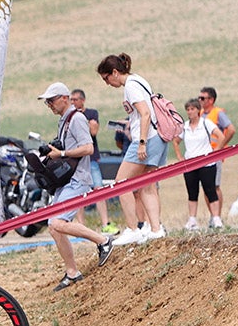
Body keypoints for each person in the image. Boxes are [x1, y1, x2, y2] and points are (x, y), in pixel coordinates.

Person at [36, 83, 114, 290]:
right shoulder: (65, 120)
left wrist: (61, 154)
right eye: (47, 102)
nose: (49, 105)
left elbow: (88, 148)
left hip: (77, 179)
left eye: (51, 101)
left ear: (64, 98)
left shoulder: (77, 118)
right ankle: (72, 272)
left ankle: (103, 240)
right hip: (66, 180)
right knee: (54, 228)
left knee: (58, 223)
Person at [98, 53, 167, 245]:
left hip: (145, 139)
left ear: (114, 72)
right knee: (148, 185)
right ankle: (156, 229)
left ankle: (132, 228)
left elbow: (145, 113)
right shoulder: (139, 80)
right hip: (157, 137)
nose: (107, 83)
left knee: (121, 183)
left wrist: (142, 142)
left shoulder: (130, 86)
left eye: (106, 78)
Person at [70, 88, 114, 234]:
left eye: (75, 99)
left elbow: (93, 131)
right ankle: (81, 224)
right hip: (77, 159)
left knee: (98, 189)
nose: (73, 102)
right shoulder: (70, 116)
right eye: (71, 100)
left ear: (82, 100)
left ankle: (105, 223)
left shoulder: (91, 113)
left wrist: (82, 120)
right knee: (78, 192)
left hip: (92, 157)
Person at [173, 98, 222, 231]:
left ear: (198, 110)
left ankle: (216, 217)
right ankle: (192, 219)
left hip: (206, 162)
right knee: (192, 191)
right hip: (190, 163)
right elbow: (176, 141)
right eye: (188, 109)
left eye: (192, 109)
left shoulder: (206, 123)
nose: (190, 112)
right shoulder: (185, 127)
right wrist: (179, 157)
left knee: (210, 189)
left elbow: (220, 136)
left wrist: (216, 152)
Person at [197, 86, 235, 228]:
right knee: (207, 188)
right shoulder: (199, 114)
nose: (200, 101)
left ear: (211, 100)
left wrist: (220, 148)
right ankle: (213, 217)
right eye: (199, 98)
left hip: (214, 154)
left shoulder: (218, 113)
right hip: (202, 155)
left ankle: (217, 217)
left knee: (215, 186)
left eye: (203, 98)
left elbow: (231, 129)